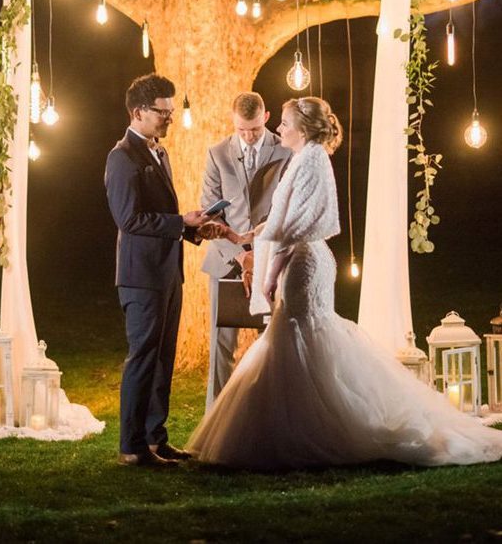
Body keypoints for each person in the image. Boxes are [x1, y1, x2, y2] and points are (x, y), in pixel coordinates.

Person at [188, 97, 502, 470]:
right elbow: (282, 219)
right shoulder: (303, 158)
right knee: (297, 337)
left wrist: (270, 274)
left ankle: (317, 429)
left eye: (284, 123)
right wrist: (240, 238)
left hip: (303, 262)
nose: (279, 130)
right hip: (299, 258)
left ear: (302, 128)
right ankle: (301, 426)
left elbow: (298, 226)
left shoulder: (312, 160)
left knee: (301, 335)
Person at [105, 73, 207, 467]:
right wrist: (182, 222)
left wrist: (194, 227)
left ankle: (155, 438)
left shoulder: (159, 153)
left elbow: (164, 216)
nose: (168, 118)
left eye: (169, 111)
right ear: (138, 112)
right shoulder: (121, 157)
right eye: (161, 112)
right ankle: (132, 447)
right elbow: (129, 220)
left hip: (167, 272)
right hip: (140, 276)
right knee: (144, 357)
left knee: (164, 358)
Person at [201, 92, 291, 410]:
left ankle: (268, 411)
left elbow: (286, 208)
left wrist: (261, 253)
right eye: (242, 130)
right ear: (233, 120)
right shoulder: (217, 154)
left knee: (272, 343)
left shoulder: (285, 150)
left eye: (253, 129)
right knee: (220, 348)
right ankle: (215, 417)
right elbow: (209, 214)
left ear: (265, 117)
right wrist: (241, 255)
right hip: (226, 260)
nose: (248, 136)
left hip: (271, 261)